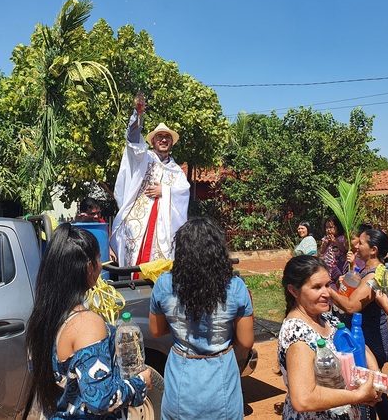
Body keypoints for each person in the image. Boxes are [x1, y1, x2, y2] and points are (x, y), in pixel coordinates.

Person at [25, 223, 151, 419]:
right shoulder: (86, 323)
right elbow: (100, 400)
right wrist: (140, 383)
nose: (101, 265)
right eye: (99, 258)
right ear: (89, 267)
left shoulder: (41, 320)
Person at [149, 217, 254, 419]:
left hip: (181, 378)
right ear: (218, 250)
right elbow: (246, 341)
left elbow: (156, 330)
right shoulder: (235, 286)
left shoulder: (164, 284)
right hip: (222, 380)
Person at [277, 255, 381, 419]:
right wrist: (358, 396)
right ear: (293, 290)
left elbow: (359, 345)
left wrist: (375, 377)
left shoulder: (326, 319)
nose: (327, 293)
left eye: (327, 285)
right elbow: (303, 399)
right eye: (317, 287)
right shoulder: (297, 333)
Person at [110, 93, 190, 267]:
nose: (163, 139)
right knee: (134, 261)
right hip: (139, 224)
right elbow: (132, 142)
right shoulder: (144, 158)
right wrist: (138, 115)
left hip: (163, 226)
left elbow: (184, 193)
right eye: (159, 137)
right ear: (153, 141)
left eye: (167, 137)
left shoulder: (177, 171)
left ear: (171, 143)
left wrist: (166, 191)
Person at [329, 229, 388, 420]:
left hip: (370, 340)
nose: (356, 245)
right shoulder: (368, 271)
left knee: (367, 390)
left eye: (361, 243)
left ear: (373, 250)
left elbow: (351, 306)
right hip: (368, 336)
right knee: (377, 388)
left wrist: (328, 290)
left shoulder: (372, 277)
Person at [319, 216, 348, 288]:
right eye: (326, 227)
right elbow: (321, 251)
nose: (328, 230)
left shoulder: (341, 238)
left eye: (331, 227)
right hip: (328, 265)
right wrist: (325, 243)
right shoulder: (325, 238)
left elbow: (344, 250)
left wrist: (335, 241)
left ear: (338, 227)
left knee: (338, 280)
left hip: (338, 265)